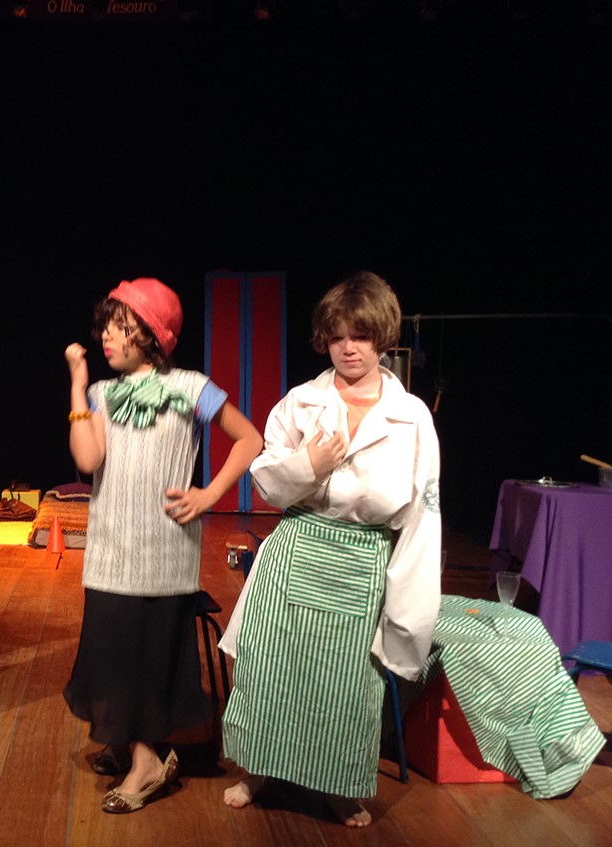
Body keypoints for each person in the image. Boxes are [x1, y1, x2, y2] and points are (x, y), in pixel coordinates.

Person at [218, 271, 441, 826]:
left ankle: (338, 785)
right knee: (271, 670)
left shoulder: (412, 417)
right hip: (298, 548)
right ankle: (257, 769)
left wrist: (409, 615)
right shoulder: (302, 402)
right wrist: (309, 466)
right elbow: (267, 483)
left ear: (381, 337)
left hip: (362, 559)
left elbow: (421, 517)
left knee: (348, 684)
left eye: (360, 336)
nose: (349, 348)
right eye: (338, 336)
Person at [63, 277, 264, 814]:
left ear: (151, 334)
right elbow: (87, 460)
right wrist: (79, 383)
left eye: (119, 327)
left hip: (163, 551)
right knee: (109, 650)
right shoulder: (101, 394)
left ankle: (148, 760)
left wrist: (210, 494)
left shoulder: (191, 387)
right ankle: (130, 744)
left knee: (148, 655)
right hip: (111, 549)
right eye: (105, 327)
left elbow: (250, 439)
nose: (106, 337)